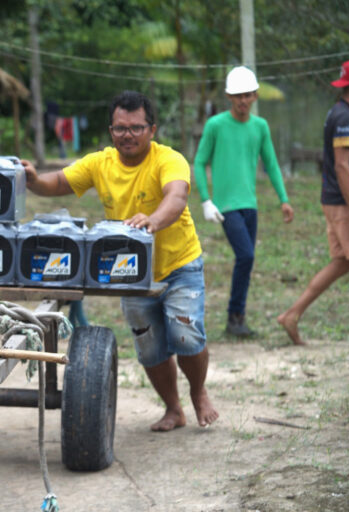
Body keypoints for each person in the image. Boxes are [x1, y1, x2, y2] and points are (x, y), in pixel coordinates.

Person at [22, 91, 219, 432]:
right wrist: (35, 180)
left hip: (178, 265)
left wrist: (153, 221)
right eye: (120, 128)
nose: (128, 134)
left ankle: (198, 391)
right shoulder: (100, 163)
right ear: (111, 131)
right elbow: (58, 183)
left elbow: (177, 196)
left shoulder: (168, 159)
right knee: (150, 346)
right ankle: (173, 409)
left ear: (152, 130)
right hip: (129, 272)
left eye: (136, 128)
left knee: (186, 336)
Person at [194, 66, 294, 337]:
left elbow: (271, 164)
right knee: (246, 255)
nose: (242, 100)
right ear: (228, 96)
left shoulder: (260, 126)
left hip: (250, 204)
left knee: (247, 260)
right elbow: (200, 162)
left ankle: (237, 319)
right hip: (226, 205)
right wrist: (206, 200)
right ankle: (234, 315)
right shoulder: (216, 125)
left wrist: (283, 199)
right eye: (237, 95)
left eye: (247, 95)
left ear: (255, 96)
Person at [278, 59, 349, 348]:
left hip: (337, 200)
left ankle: (292, 314)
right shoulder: (344, 118)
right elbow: (342, 166)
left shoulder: (343, 114)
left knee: (341, 264)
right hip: (345, 202)